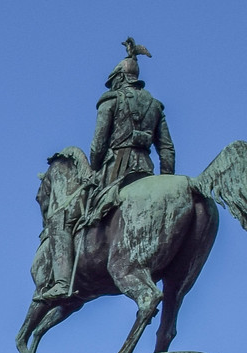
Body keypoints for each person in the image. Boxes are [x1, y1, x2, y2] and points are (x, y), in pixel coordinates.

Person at [35, 39, 176, 302]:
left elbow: (97, 146)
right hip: (146, 172)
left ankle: (62, 282)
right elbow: (167, 149)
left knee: (62, 219)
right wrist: (165, 183)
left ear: (120, 78)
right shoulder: (156, 106)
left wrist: (94, 170)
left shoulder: (110, 101)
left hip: (115, 172)